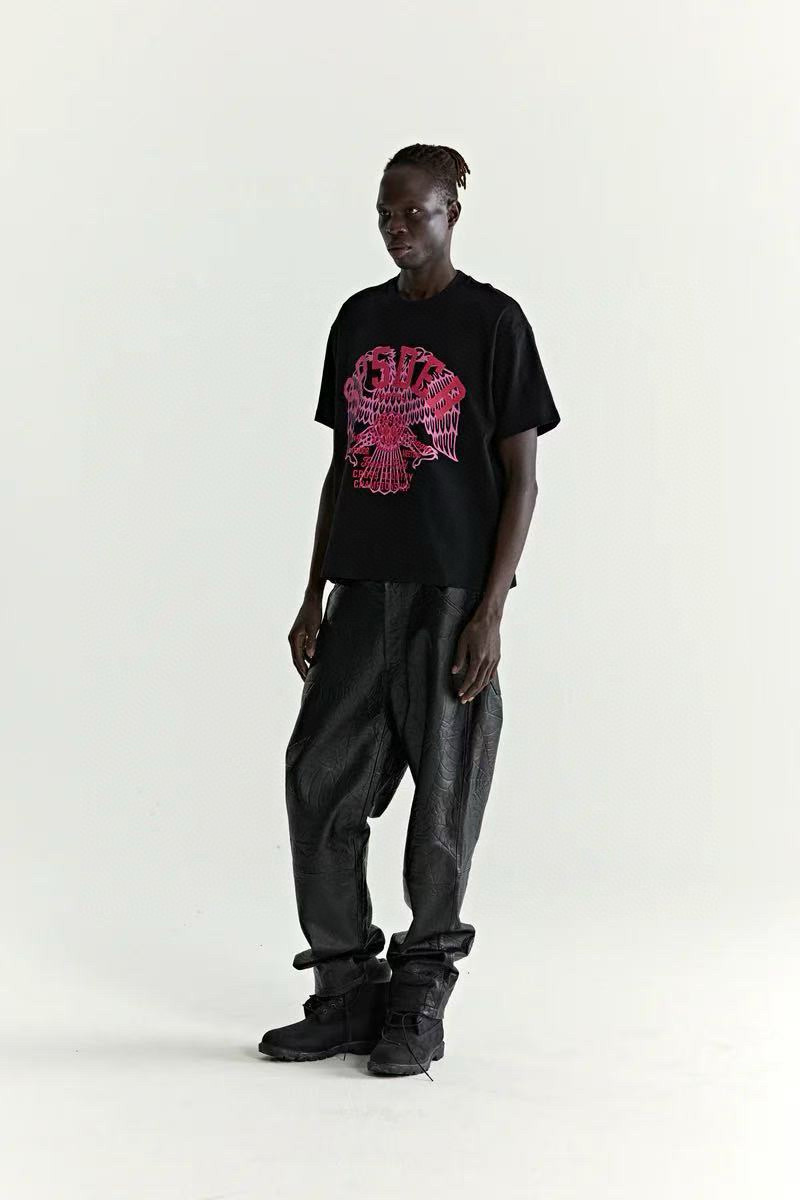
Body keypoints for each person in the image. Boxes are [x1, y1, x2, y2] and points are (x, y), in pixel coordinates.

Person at [259, 143, 561, 1079]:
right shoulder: (358, 319)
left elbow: (523, 481)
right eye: (385, 214)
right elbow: (341, 466)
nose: (397, 228)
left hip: (450, 596)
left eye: (414, 213)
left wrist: (491, 610)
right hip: (361, 593)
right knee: (317, 781)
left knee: (441, 806)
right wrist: (313, 591)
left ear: (451, 213)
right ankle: (347, 989)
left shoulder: (495, 322)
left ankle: (420, 991)